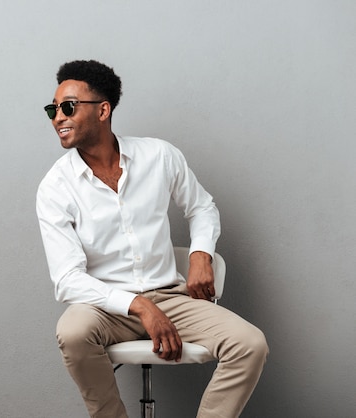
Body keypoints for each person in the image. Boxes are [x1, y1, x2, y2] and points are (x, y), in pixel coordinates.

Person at [36, 60, 268, 418]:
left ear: (103, 110)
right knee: (72, 330)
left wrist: (200, 254)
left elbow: (202, 207)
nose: (57, 118)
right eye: (53, 109)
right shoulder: (55, 187)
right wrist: (140, 306)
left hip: (171, 296)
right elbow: (67, 280)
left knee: (250, 344)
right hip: (107, 308)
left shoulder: (158, 155)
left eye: (68, 106)